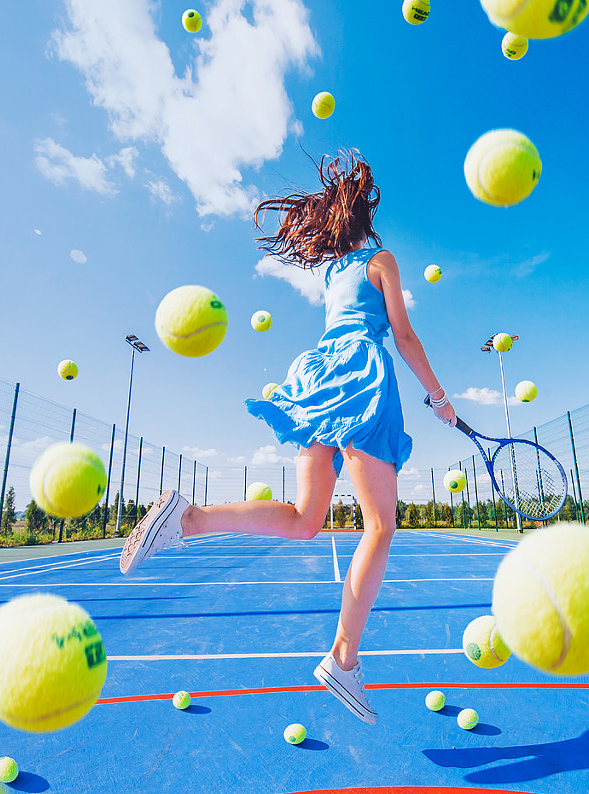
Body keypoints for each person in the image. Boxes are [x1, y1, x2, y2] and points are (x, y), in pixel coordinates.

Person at [119, 150, 455, 724]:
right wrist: (439, 397)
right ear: (364, 213)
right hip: (360, 373)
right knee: (380, 525)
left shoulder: (331, 272)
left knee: (305, 519)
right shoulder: (383, 260)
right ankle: (343, 659)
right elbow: (402, 332)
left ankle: (188, 518)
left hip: (316, 371)